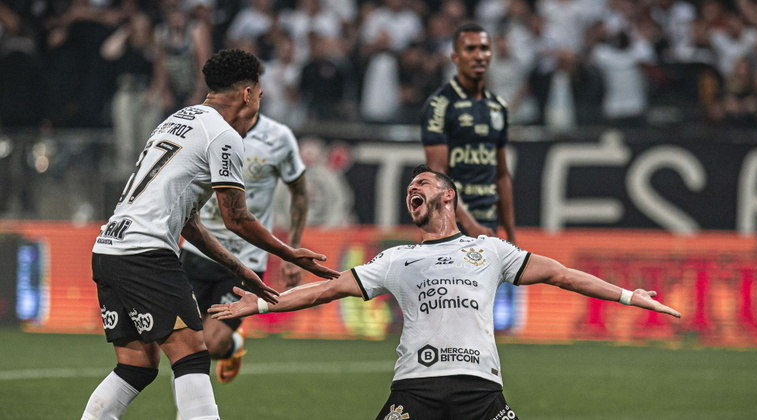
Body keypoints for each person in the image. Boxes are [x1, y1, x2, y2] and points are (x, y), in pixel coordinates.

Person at [209, 164, 682, 419]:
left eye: (422, 183)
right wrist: (263, 302)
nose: (411, 189)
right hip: (417, 387)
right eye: (409, 187)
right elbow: (326, 291)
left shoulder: (490, 250)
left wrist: (625, 295)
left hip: (481, 390)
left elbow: (560, 273)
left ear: (448, 195)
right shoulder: (396, 258)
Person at [82, 49, 339, 420]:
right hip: (145, 252)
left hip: (109, 248)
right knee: (193, 355)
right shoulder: (223, 133)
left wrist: (239, 268)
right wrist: (290, 253)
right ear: (248, 94)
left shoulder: (176, 120)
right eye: (260, 95)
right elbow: (235, 217)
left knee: (136, 366)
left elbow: (191, 222)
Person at [179, 108, 308, 384]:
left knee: (212, 344)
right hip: (197, 251)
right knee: (182, 340)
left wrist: (292, 252)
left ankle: (232, 346)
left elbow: (299, 193)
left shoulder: (278, 137)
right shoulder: (203, 127)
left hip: (245, 260)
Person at [420, 23, 518, 331]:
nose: (479, 55)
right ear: (455, 56)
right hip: (451, 226)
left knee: (480, 316)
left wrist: (511, 235)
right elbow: (437, 177)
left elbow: (502, 174)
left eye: (484, 48)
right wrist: (468, 223)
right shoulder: (440, 104)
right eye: (470, 49)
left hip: (487, 224)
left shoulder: (498, 107)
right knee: (450, 310)